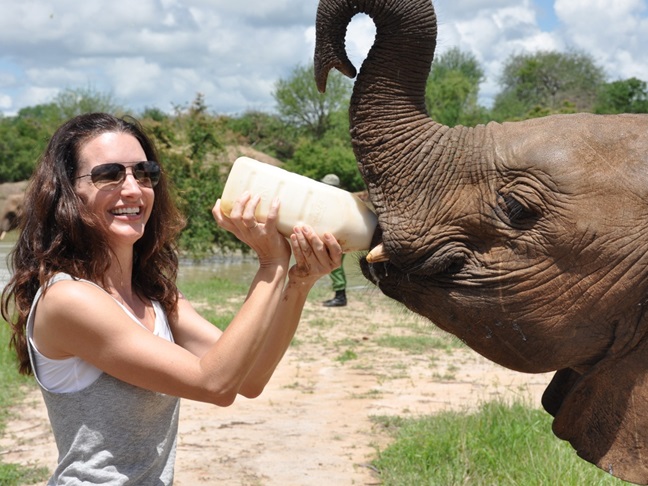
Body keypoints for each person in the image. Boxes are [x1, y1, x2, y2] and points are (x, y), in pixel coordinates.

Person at [0, 112, 342, 485]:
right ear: (69, 191)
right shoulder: (67, 299)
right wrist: (272, 263)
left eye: (144, 173)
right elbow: (215, 384)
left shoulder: (152, 294)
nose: (133, 189)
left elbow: (251, 377)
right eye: (109, 174)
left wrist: (298, 283)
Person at [320, 173, 347, 307]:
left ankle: (340, 297)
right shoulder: (341, 200)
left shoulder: (337, 202)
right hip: (338, 238)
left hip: (338, 239)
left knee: (336, 267)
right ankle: (339, 296)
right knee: (334, 267)